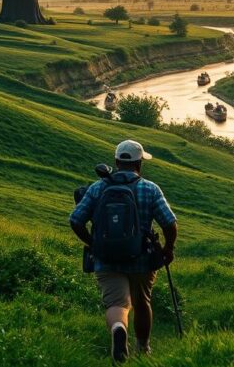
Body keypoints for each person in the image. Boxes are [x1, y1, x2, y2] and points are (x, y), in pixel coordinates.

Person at [69, 140, 177, 363]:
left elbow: (76, 220)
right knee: (142, 302)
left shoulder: (98, 187)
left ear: (116, 162)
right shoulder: (150, 188)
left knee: (117, 304)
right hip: (142, 259)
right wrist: (168, 248)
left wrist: (93, 243)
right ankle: (143, 347)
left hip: (106, 258)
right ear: (139, 164)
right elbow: (169, 223)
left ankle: (119, 328)